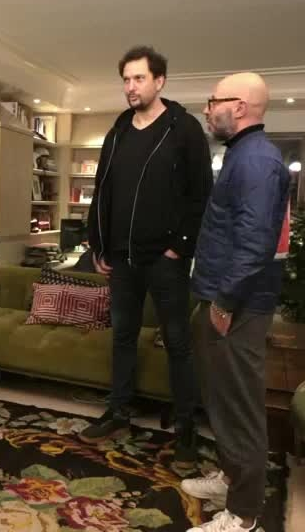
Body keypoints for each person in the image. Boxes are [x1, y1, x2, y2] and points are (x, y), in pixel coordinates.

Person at [81, 46, 212, 469]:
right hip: (121, 259)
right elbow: (102, 191)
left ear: (159, 81)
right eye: (126, 79)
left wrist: (180, 247)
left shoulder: (184, 129)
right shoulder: (119, 130)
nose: (130, 87)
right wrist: (98, 244)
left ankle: (186, 429)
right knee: (122, 337)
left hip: (165, 259)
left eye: (138, 78)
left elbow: (201, 195)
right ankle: (119, 411)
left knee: (178, 343)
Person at [182, 72, 290, 532]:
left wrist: (224, 302)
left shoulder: (256, 160)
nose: (207, 110)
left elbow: (255, 243)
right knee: (221, 399)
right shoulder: (242, 154)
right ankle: (230, 478)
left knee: (240, 408)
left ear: (239, 107)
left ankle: (243, 516)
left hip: (238, 304)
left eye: (213, 101)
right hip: (221, 296)